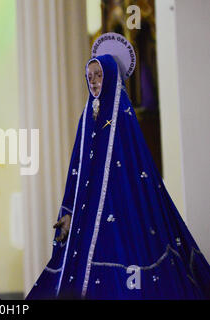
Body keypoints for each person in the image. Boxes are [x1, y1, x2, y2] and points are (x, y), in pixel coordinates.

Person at [26, 49, 210, 299]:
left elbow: (136, 168)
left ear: (111, 77)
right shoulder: (86, 118)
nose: (93, 81)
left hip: (121, 211)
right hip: (87, 215)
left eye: (99, 75)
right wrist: (69, 210)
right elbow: (76, 170)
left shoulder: (122, 116)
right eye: (89, 76)